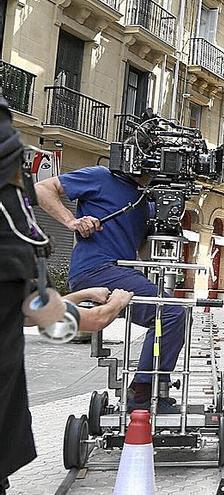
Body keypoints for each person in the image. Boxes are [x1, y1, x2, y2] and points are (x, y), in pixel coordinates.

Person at [0, 97, 133, 494]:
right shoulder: (9, 225)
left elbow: (20, 308)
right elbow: (52, 323)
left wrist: (79, 294)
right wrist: (107, 310)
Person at [35, 159, 187, 414]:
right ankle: (142, 393)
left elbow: (142, 252)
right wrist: (72, 221)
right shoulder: (100, 176)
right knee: (170, 312)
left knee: (170, 312)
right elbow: (41, 188)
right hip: (96, 271)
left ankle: (151, 387)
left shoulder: (146, 200)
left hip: (118, 274)